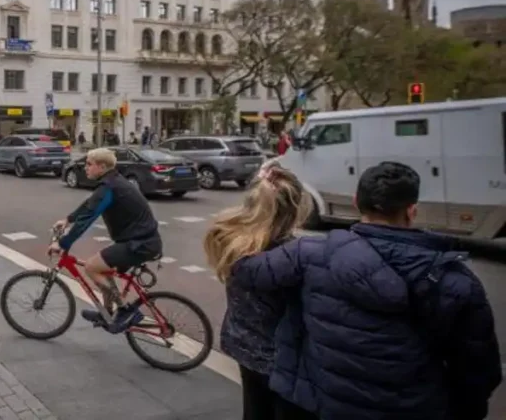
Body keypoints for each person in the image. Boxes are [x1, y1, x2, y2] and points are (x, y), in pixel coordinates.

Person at [231, 162, 502, 420]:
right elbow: (478, 372)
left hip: (331, 405)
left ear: (355, 203)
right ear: (411, 211)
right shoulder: (455, 281)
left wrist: (251, 219)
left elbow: (246, 271)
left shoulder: (310, 253)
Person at [204, 164, 317, 420]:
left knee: (255, 409)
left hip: (243, 345)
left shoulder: (233, 240)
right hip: (284, 360)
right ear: (296, 208)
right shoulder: (293, 257)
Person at [48, 148, 163, 333]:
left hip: (140, 244)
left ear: (101, 167)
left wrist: (62, 244)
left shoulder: (110, 187)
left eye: (89, 164)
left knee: (92, 267)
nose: (85, 168)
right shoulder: (112, 182)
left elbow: (89, 218)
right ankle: (107, 312)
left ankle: (125, 310)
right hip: (140, 240)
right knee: (104, 267)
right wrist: (68, 219)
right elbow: (89, 205)